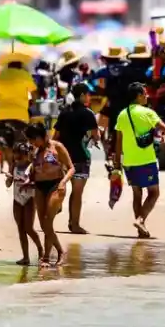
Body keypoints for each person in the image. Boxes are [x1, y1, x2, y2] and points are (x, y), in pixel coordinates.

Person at [114, 82, 165, 239]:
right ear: (139, 96)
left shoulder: (122, 114)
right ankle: (140, 220)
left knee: (137, 194)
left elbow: (118, 142)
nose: (147, 96)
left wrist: (116, 165)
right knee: (154, 193)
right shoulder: (148, 113)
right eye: (145, 94)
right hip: (146, 160)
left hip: (129, 162)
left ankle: (141, 231)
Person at [53, 82, 99, 234]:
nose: (89, 97)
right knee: (77, 193)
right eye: (87, 94)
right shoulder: (88, 113)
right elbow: (96, 136)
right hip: (80, 157)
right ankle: (74, 224)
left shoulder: (64, 112)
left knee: (59, 189)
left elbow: (55, 137)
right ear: (82, 96)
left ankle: (49, 218)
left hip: (64, 158)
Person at [25, 122, 74, 266]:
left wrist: (63, 182)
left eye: (34, 139)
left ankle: (60, 251)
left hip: (56, 185)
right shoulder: (34, 150)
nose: (32, 142)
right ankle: (46, 257)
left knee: (47, 221)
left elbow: (71, 168)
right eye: (30, 140)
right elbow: (33, 169)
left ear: (42, 136)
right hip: (39, 186)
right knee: (44, 224)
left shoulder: (57, 147)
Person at [0, 58, 36, 171]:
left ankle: (11, 166)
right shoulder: (24, 75)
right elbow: (34, 92)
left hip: (2, 115)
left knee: (6, 146)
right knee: (21, 144)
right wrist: (32, 104)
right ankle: (19, 168)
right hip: (20, 115)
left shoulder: (1, 76)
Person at [5, 141, 42, 265]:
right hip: (17, 200)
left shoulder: (32, 166)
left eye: (20, 156)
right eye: (16, 156)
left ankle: (40, 249)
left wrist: (26, 182)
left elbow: (37, 185)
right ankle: (25, 257)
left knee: (29, 228)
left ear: (27, 154)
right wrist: (10, 179)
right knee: (20, 229)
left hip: (29, 199)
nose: (18, 159)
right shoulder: (13, 166)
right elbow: (8, 184)